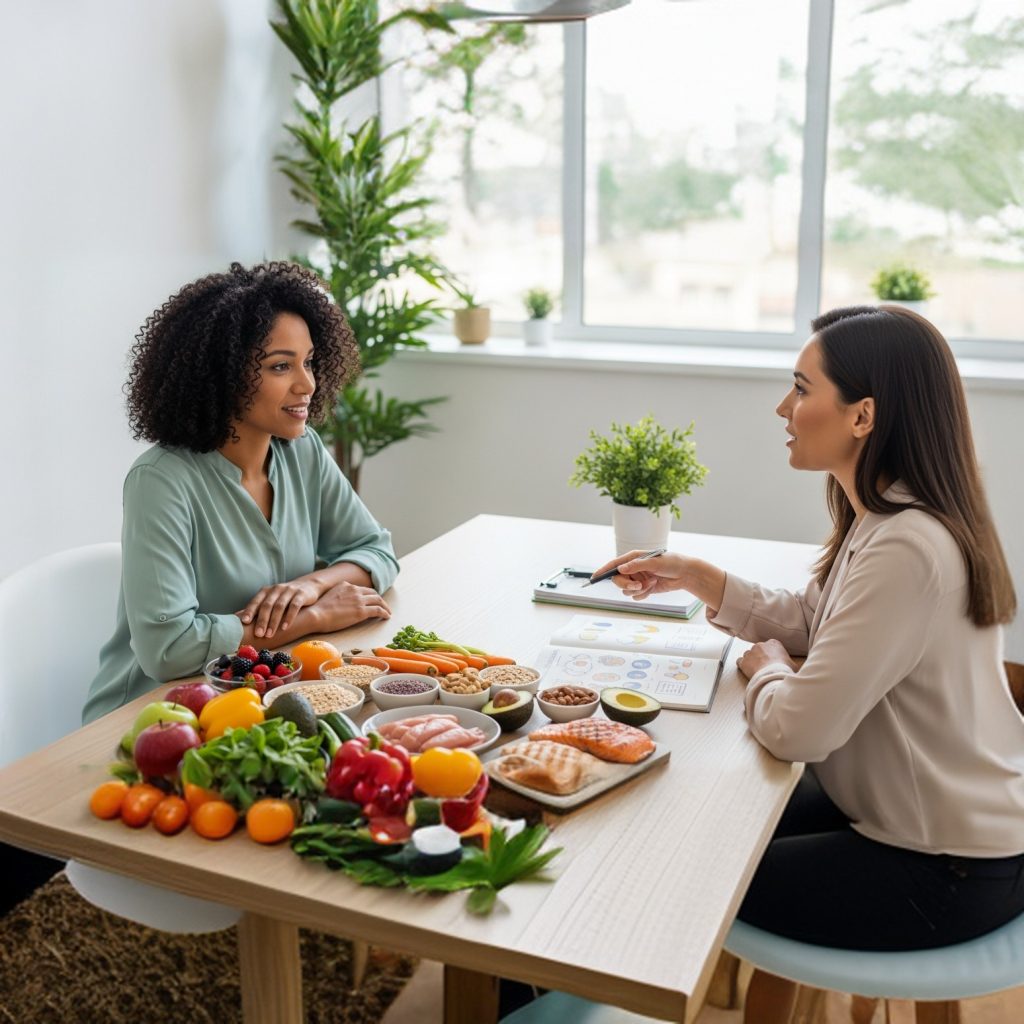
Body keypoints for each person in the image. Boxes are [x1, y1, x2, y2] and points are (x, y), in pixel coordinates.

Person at [593, 305, 1024, 952]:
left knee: (653, 868)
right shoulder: (892, 515)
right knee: (673, 817)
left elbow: (799, 729)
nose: (781, 409)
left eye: (800, 388)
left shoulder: (908, 546)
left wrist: (766, 669)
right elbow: (816, 621)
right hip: (900, 814)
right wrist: (700, 578)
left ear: (863, 416)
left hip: (943, 867)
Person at [84, 262, 399, 723]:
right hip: (153, 716)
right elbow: (168, 650)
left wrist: (309, 586)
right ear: (223, 375)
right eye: (279, 366)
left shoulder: (301, 450)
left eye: (309, 361)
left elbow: (375, 549)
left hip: (255, 701)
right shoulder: (161, 480)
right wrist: (311, 618)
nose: (306, 384)